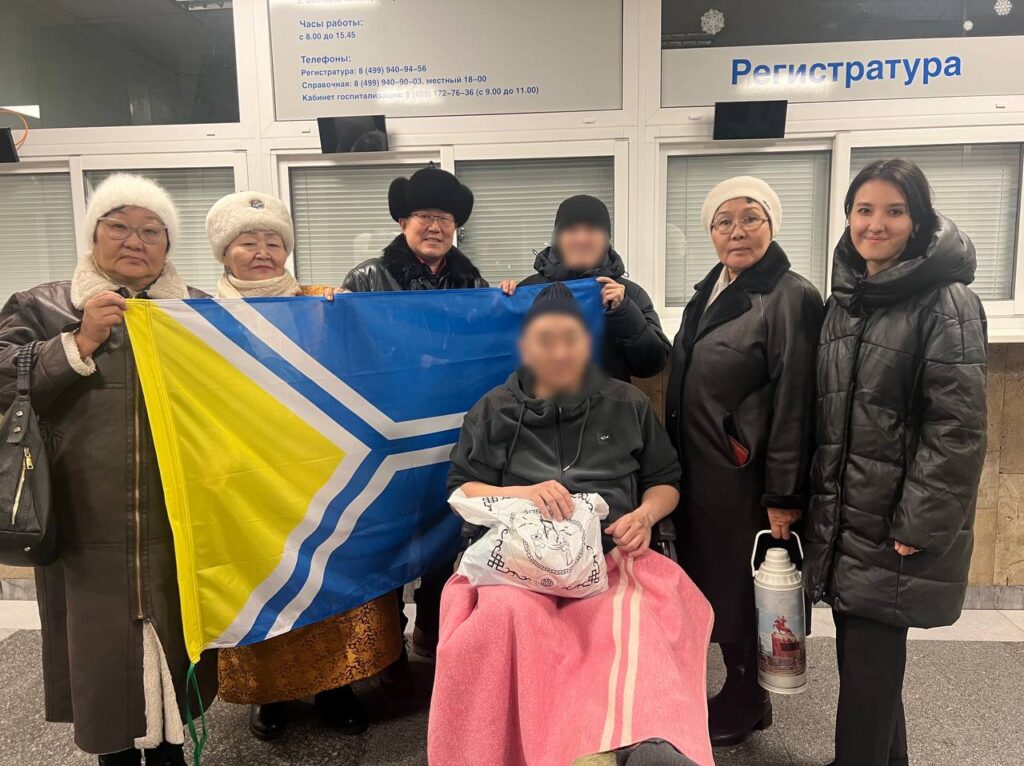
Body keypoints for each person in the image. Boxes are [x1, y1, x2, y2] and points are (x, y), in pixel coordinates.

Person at [431, 283, 714, 766]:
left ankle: (647, 741)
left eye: (571, 339)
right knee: (500, 621)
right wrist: (521, 493)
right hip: (518, 564)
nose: (559, 352)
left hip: (611, 554)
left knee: (639, 622)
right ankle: (535, 751)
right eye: (546, 340)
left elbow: (665, 481)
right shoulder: (493, 410)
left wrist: (645, 516)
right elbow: (462, 489)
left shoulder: (627, 403)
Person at [0, 174, 217, 765]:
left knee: (176, 653)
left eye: (151, 231)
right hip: (81, 524)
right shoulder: (42, 305)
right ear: (93, 235)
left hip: (176, 524)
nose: (134, 240)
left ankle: (171, 754)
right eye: (118, 226)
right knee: (101, 665)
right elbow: (3, 382)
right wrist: (79, 341)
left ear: (168, 245)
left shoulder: (197, 311)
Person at [804, 159, 987, 766]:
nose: (875, 224)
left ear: (918, 220)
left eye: (894, 211)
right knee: (868, 669)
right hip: (848, 519)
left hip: (893, 524)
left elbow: (957, 426)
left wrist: (920, 521)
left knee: (868, 673)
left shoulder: (946, 301)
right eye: (864, 210)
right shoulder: (847, 303)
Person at [205, 191, 403, 741]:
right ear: (225, 252)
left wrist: (351, 318)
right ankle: (270, 695)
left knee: (329, 577)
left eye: (273, 242)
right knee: (263, 582)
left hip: (322, 469)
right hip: (244, 475)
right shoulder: (199, 316)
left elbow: (373, 356)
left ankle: (337, 687)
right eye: (248, 242)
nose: (263, 252)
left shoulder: (321, 301)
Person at [664, 176, 824, 747]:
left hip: (747, 478)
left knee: (744, 587)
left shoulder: (790, 296)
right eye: (723, 221)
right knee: (719, 582)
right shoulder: (710, 288)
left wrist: (783, 495)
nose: (737, 231)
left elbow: (797, 401)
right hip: (703, 471)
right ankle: (737, 687)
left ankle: (748, 698)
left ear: (771, 225)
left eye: (750, 217)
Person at [342, 165, 487, 659]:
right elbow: (347, 351)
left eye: (445, 218)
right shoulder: (366, 278)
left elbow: (487, 345)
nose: (435, 227)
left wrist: (509, 299)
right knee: (385, 537)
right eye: (424, 215)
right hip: (388, 431)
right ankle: (384, 650)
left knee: (446, 532)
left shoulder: (473, 282)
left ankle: (432, 633)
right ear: (403, 221)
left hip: (449, 431)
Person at [499, 194, 670, 381]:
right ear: (557, 238)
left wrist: (624, 312)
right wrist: (503, 301)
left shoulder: (628, 293)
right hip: (539, 399)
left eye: (591, 230)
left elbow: (652, 365)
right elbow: (501, 354)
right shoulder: (529, 290)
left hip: (608, 400)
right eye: (571, 230)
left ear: (607, 239)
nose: (581, 239)